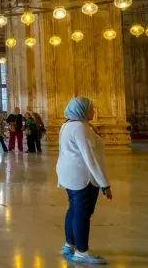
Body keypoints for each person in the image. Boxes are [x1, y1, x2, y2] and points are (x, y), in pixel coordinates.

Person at [56, 97, 112, 265]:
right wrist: (105, 184)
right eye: (91, 109)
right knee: (82, 213)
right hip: (83, 177)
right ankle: (82, 251)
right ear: (81, 111)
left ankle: (69, 245)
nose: (93, 112)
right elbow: (91, 158)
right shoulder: (80, 128)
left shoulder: (67, 125)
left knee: (73, 209)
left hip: (69, 175)